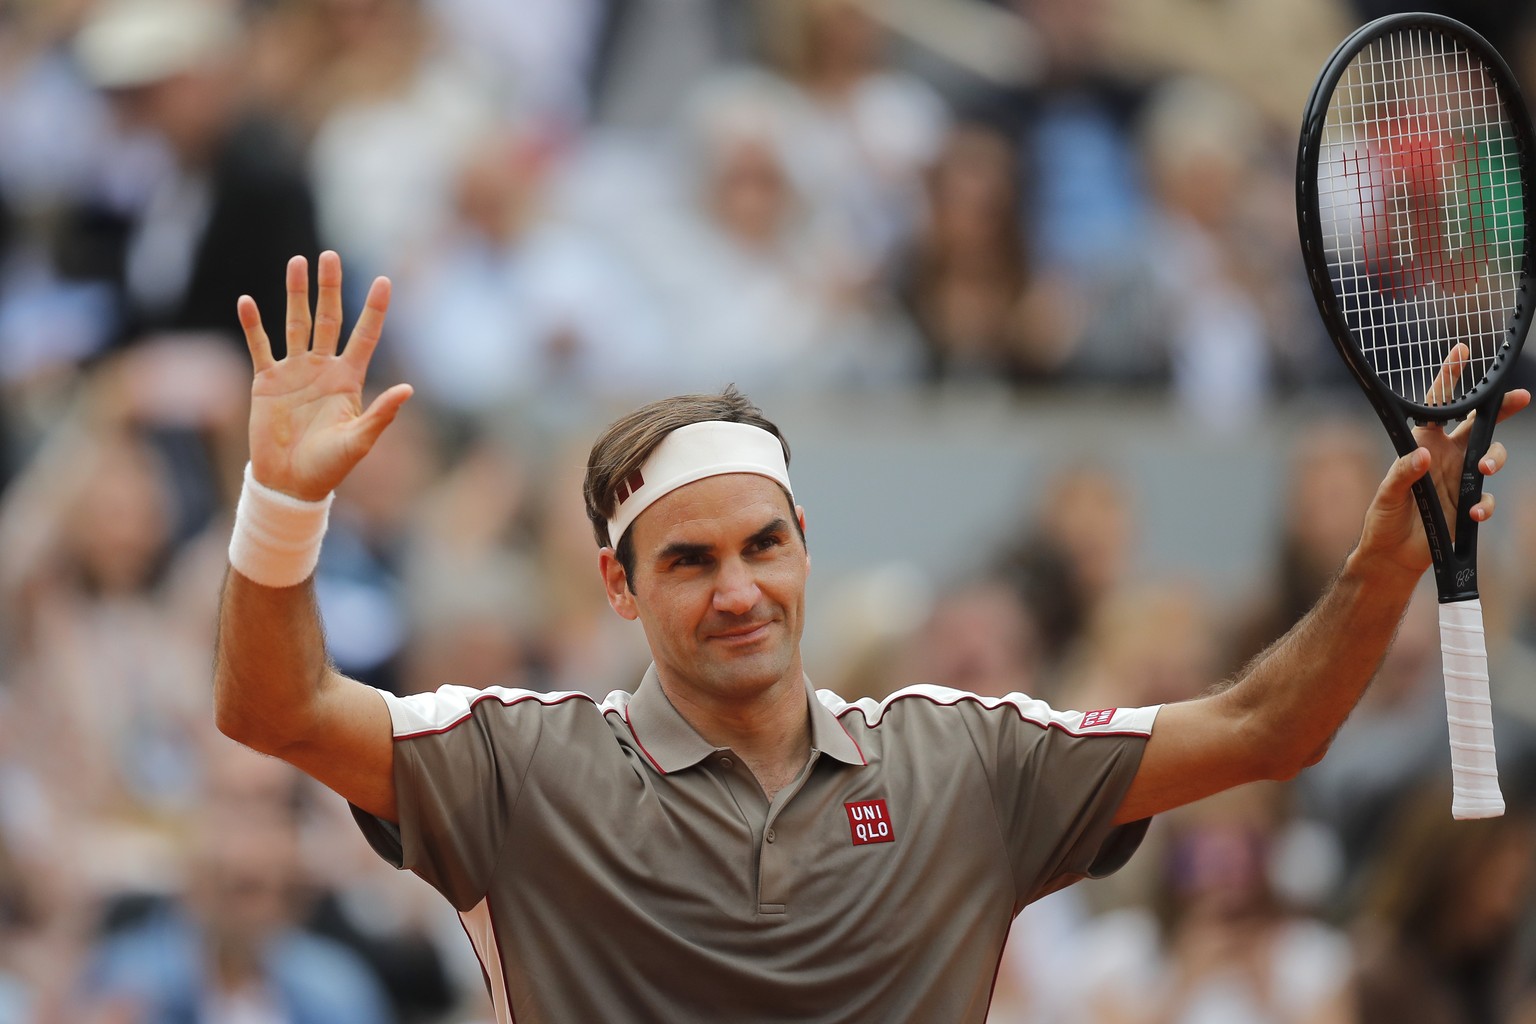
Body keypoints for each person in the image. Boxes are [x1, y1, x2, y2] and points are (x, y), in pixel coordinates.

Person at [213, 250, 1527, 1023]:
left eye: (762, 547)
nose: (737, 590)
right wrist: (282, 505)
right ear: (620, 589)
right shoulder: (515, 765)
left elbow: (1264, 732)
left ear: (803, 548)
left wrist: (1379, 566)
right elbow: (275, 710)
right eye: (688, 562)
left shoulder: (971, 761)